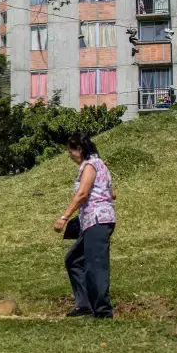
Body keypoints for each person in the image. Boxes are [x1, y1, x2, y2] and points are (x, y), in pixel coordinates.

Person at [54, 133, 116, 319]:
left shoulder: (91, 165)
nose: (70, 156)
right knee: (74, 260)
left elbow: (82, 194)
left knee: (95, 266)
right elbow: (112, 193)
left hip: (97, 220)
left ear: (79, 150)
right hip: (93, 221)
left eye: (70, 152)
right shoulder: (100, 164)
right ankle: (84, 305)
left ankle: (103, 312)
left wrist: (64, 217)